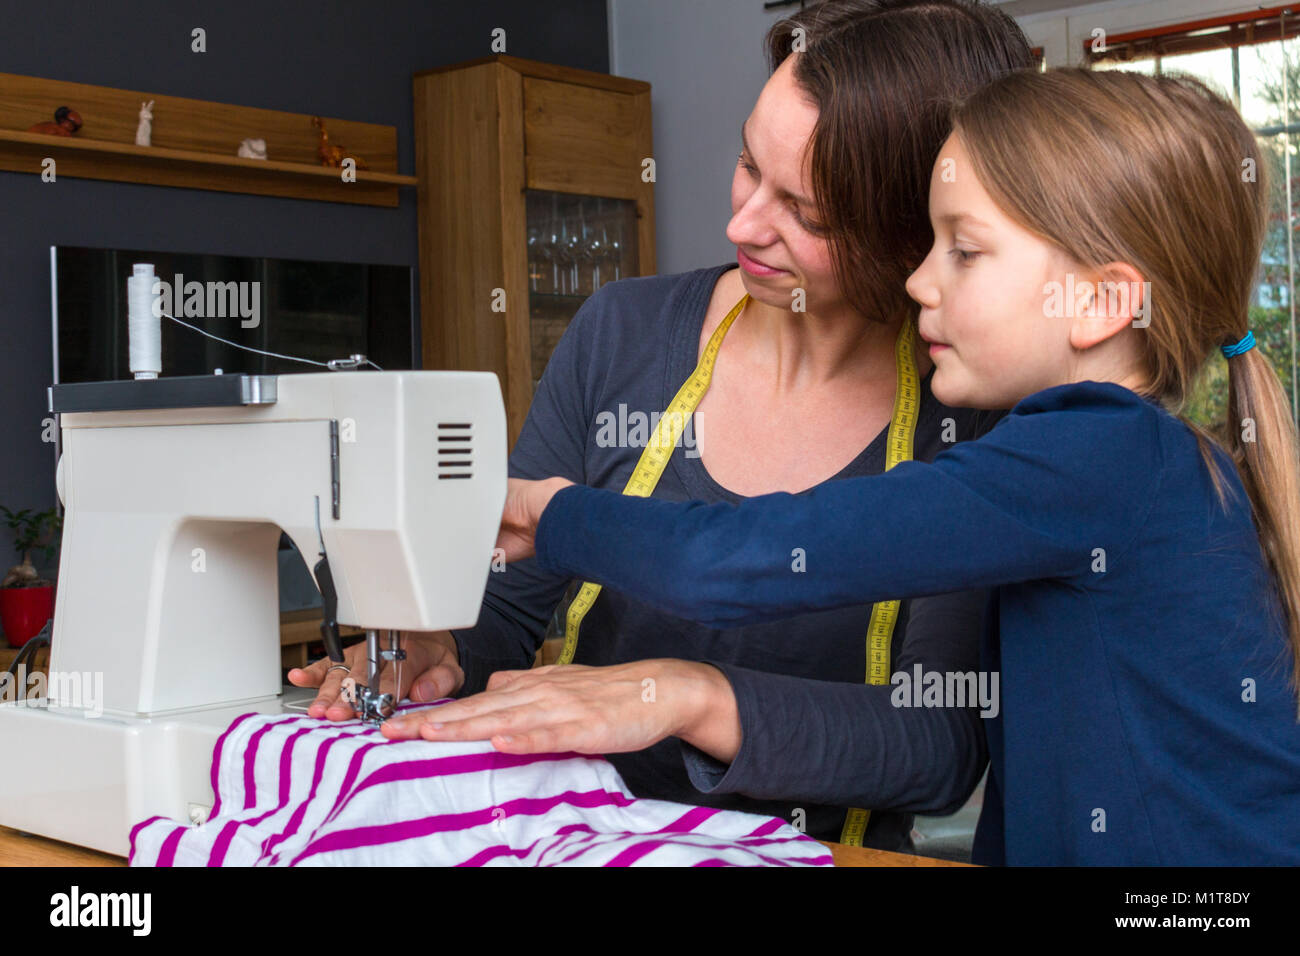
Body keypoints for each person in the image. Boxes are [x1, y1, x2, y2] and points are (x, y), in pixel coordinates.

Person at [440, 67, 1300, 866]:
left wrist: (549, 512)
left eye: (964, 251)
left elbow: (742, 558)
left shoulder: (1095, 455)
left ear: (1102, 301)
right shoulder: (1139, 461)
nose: (919, 281)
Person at [296, 0, 1036, 851]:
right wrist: (437, 646)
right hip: (569, 838)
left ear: (918, 236)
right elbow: (508, 601)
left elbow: (937, 746)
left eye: (809, 213)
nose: (743, 224)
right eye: (747, 165)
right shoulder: (623, 332)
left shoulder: (970, 414)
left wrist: (685, 694)